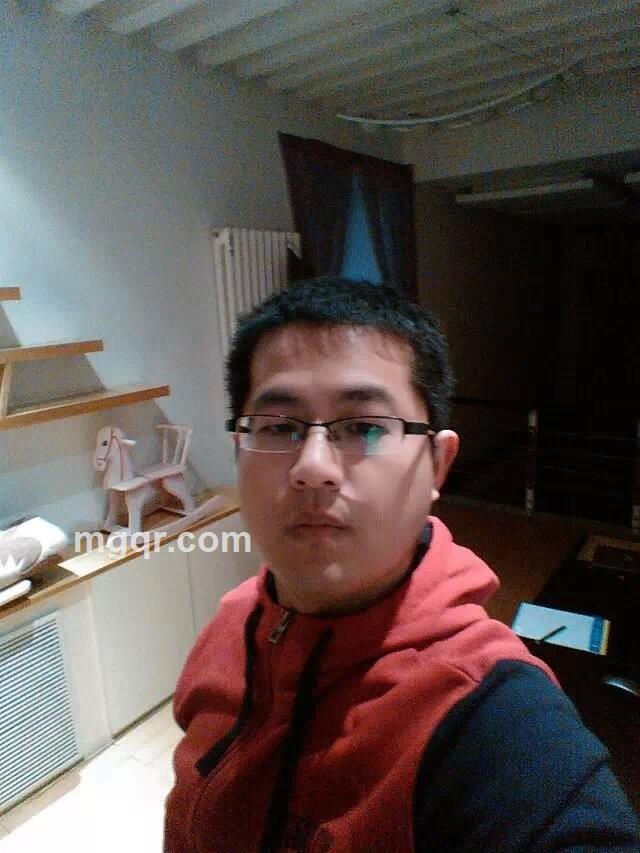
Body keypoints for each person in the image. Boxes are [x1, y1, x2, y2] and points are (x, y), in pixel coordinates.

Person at [164, 277, 640, 852]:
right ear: (240, 450)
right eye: (280, 427)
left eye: (364, 427)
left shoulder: (488, 714)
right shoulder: (229, 626)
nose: (312, 467)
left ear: (438, 464)